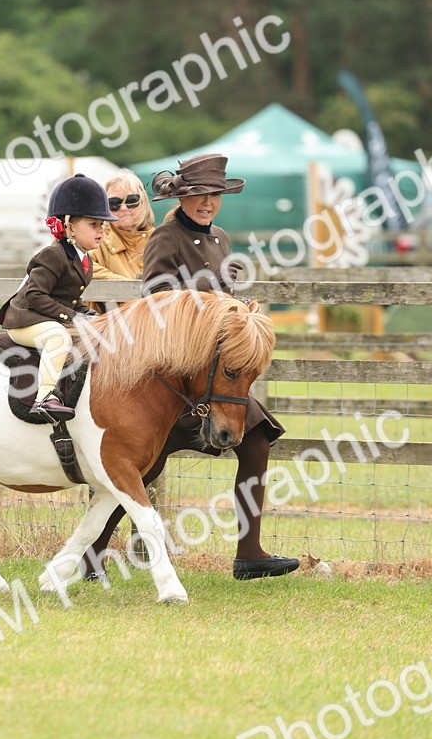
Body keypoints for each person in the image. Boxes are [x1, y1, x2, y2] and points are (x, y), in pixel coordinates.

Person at [82, 153, 300, 581]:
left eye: (214, 194)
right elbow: (158, 301)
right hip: (174, 372)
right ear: (182, 197)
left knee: (256, 442)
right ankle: (92, 555)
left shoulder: (219, 237)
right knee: (144, 463)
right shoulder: (166, 236)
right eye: (199, 195)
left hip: (212, 371)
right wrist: (211, 301)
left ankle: (249, 553)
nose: (207, 203)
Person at [0, 174, 113, 422]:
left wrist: (89, 314)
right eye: (93, 224)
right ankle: (44, 397)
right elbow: (35, 294)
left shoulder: (85, 260)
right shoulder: (53, 255)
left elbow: (68, 298)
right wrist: (72, 316)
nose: (101, 231)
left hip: (45, 318)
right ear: (68, 226)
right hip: (24, 321)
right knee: (58, 336)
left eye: (102, 225)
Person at [88, 168, 155, 299]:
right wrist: (133, 289)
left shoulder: (162, 241)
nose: (123, 208)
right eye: (114, 203)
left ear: (144, 201)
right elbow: (77, 267)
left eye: (131, 200)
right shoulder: (94, 244)